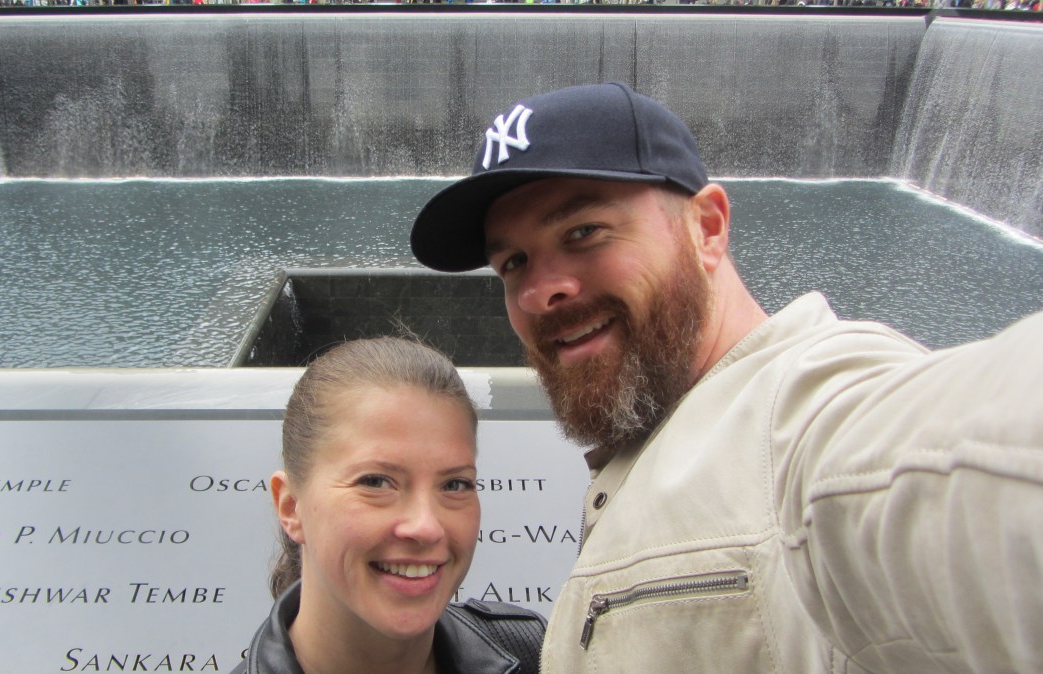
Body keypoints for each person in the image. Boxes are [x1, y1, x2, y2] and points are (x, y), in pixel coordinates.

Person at [410, 82, 1043, 673]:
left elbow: (955, 464)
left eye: (584, 231)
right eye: (513, 262)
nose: (539, 292)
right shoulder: (654, 430)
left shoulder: (803, 415)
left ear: (707, 228)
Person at [233, 337, 545, 674]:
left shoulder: (540, 654)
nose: (426, 526)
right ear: (291, 507)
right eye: (375, 482)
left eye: (454, 484)